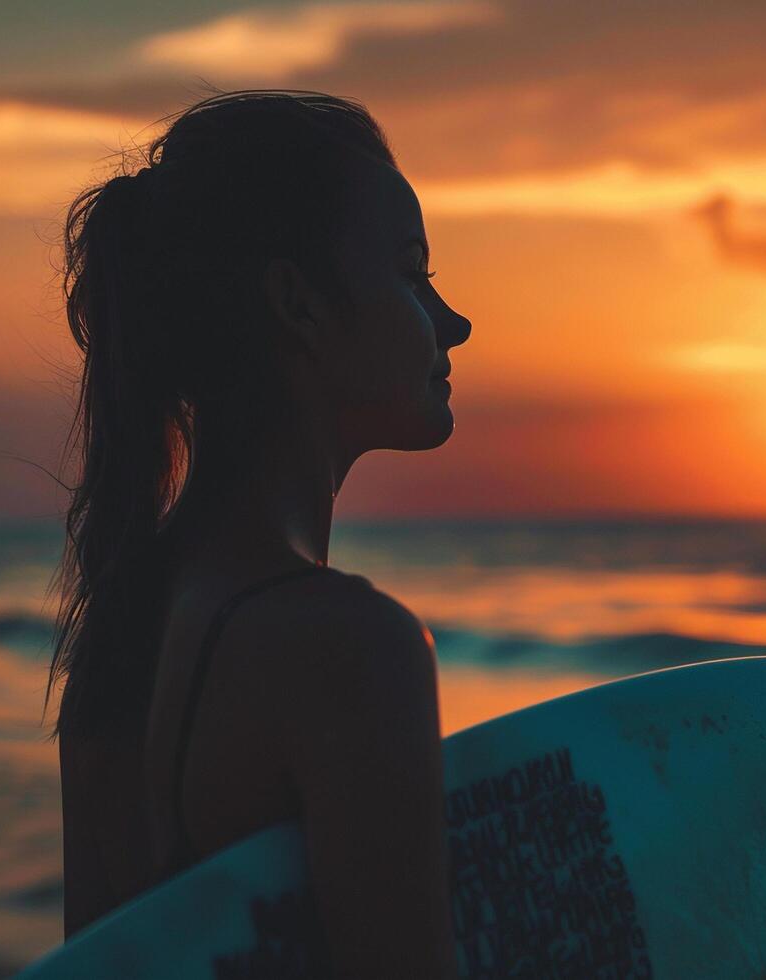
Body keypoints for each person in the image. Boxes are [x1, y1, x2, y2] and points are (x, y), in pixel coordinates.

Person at [42, 89, 472, 977]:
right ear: (299, 305)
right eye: (413, 274)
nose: (453, 322)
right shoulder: (350, 651)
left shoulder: (125, 622)